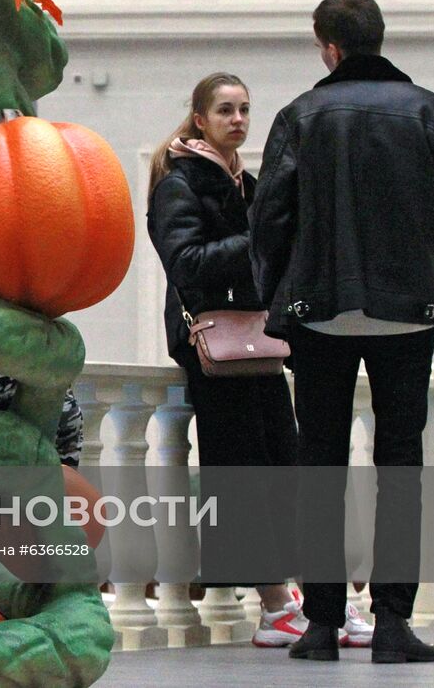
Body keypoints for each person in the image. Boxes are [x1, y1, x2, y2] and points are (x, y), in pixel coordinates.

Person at [250, 0, 434, 664]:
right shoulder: (431, 111)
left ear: (329, 46)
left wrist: (281, 294)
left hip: (319, 312)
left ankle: (320, 626)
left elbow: (270, 219)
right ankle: (393, 625)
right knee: (400, 467)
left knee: (319, 466)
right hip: (407, 312)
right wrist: (410, 249)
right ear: (378, 39)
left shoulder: (300, 116)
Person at [147, 72, 327, 648]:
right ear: (200, 118)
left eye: (245, 109)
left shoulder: (245, 183)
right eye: (225, 110)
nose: (239, 120)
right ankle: (274, 605)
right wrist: (259, 238)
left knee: (281, 466)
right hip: (215, 346)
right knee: (240, 472)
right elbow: (188, 264)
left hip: (258, 341)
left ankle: (289, 597)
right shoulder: (179, 184)